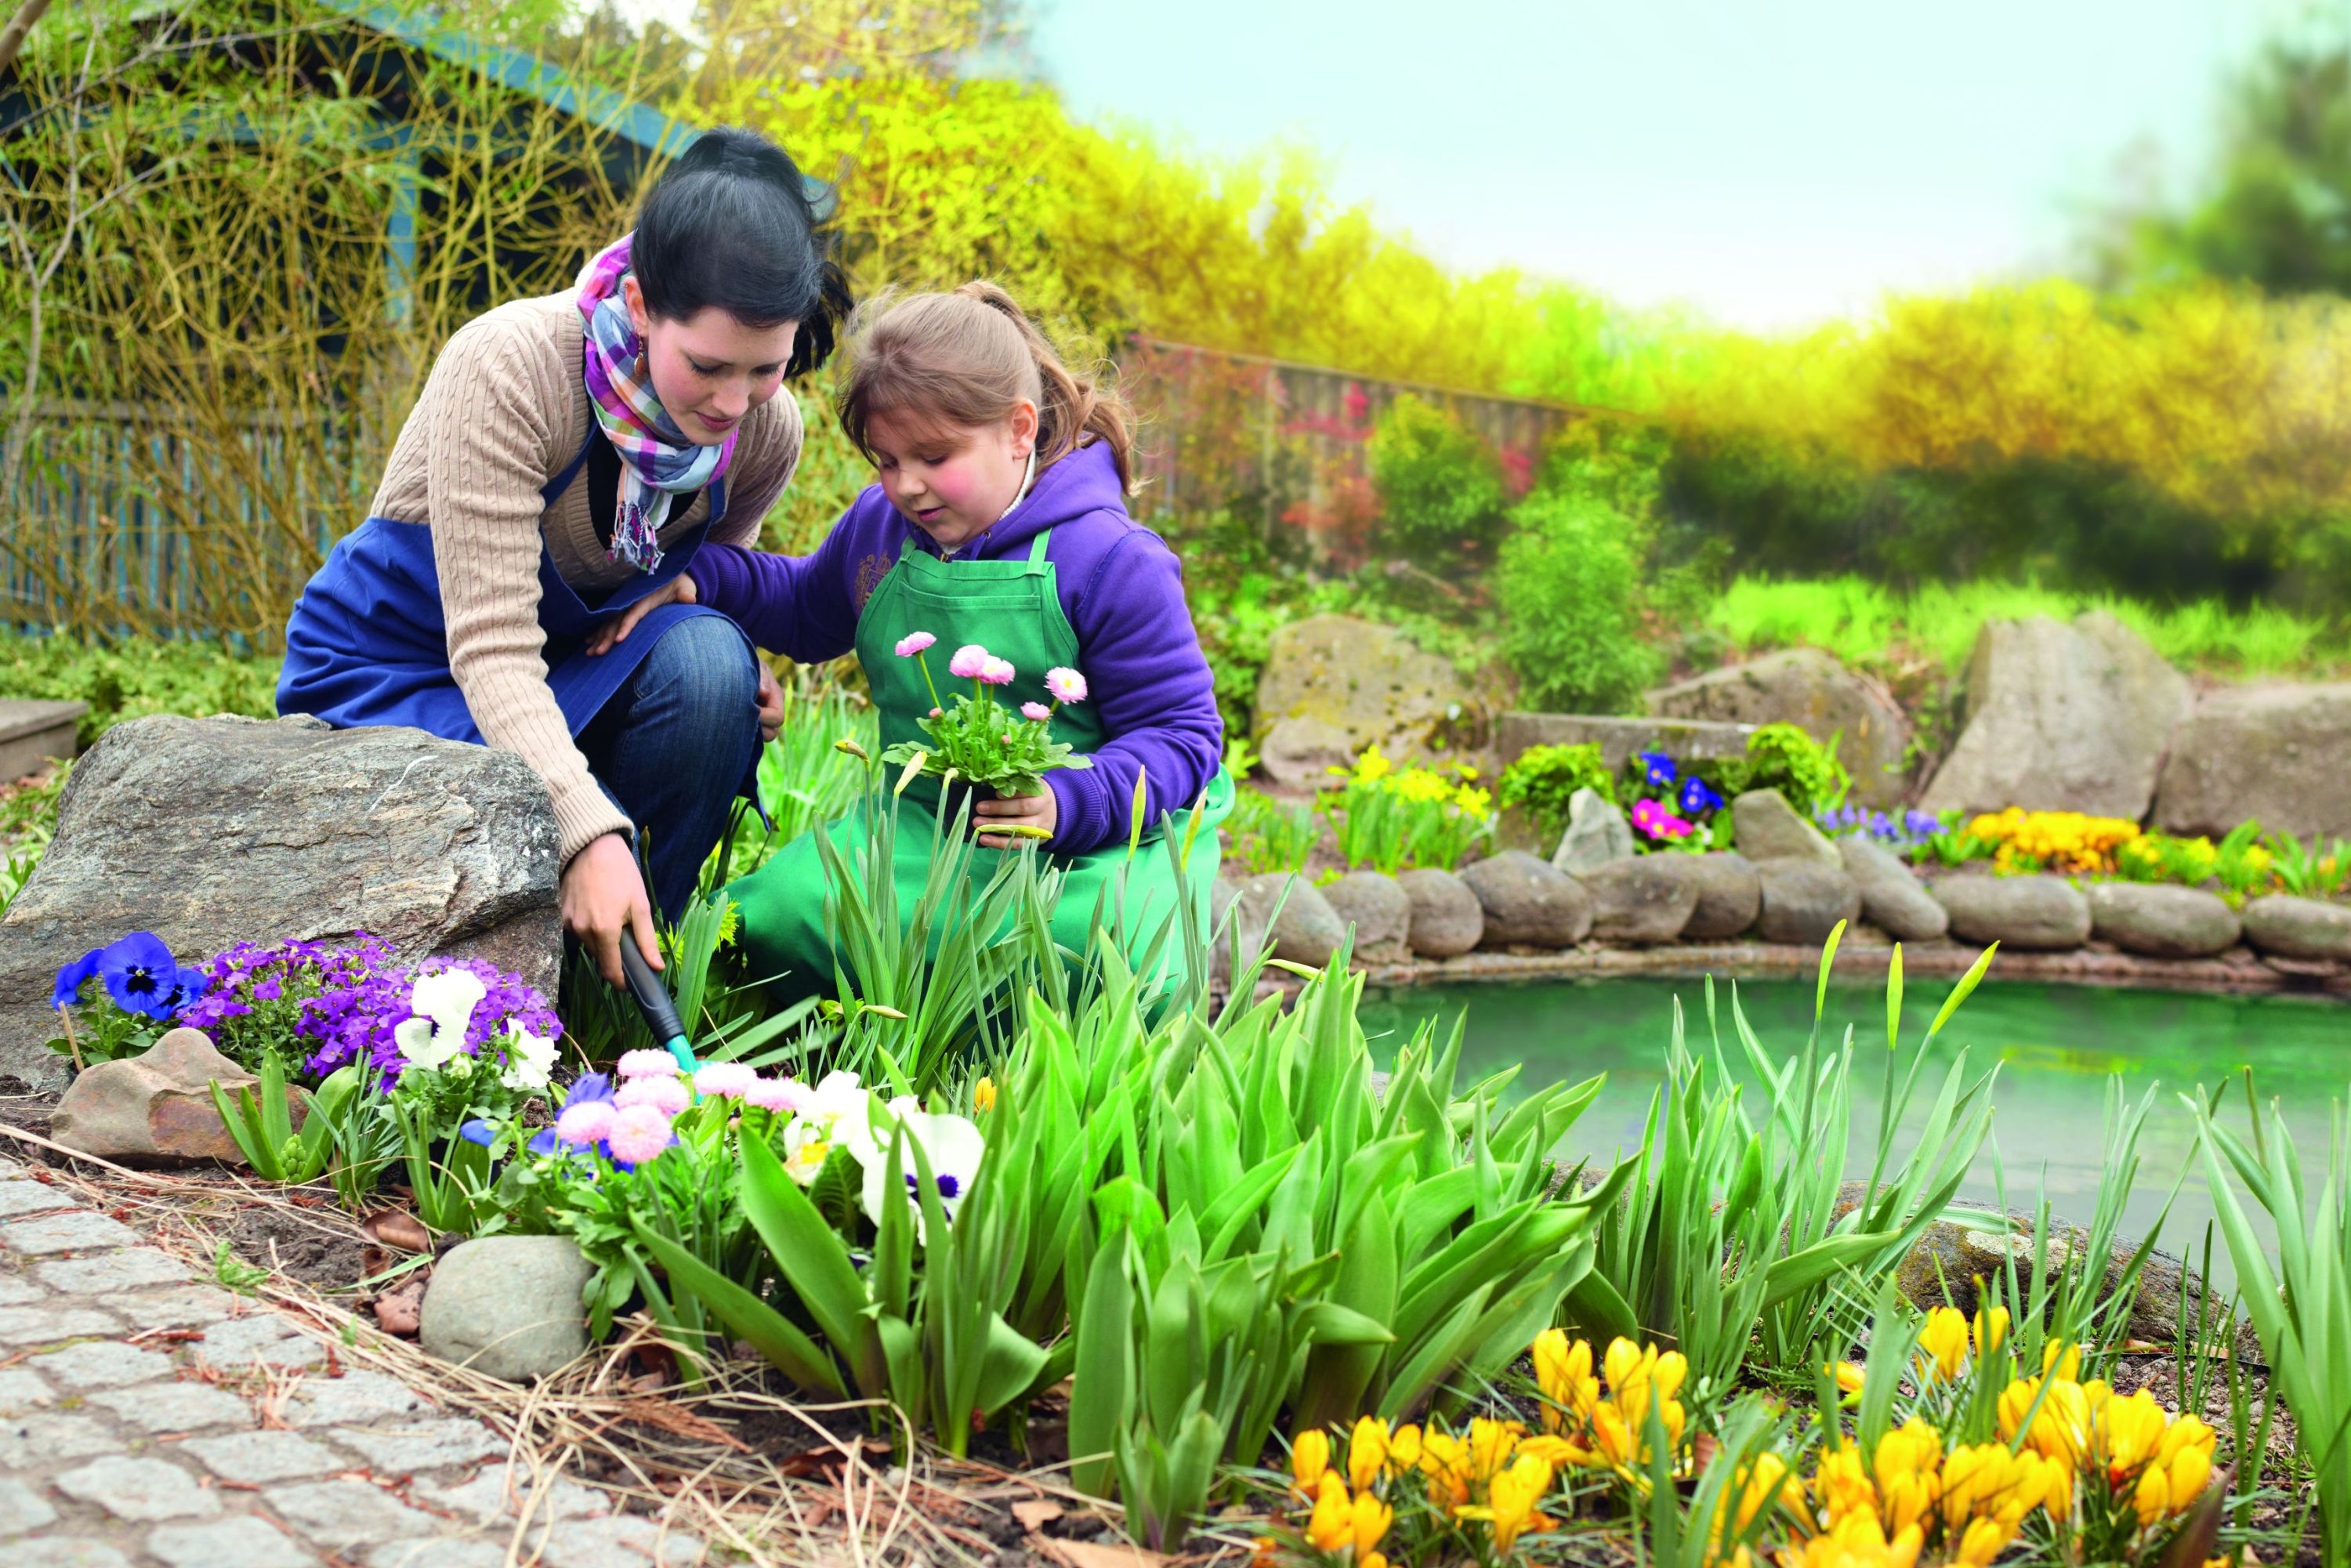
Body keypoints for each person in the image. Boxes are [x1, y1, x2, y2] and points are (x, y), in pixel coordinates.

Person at [277, 128, 851, 987]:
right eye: (709, 366)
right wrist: (583, 828)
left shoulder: (766, 430)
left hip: (571, 680)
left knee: (707, 665)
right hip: (405, 665)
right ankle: (474, 1002)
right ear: (646, 304)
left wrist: (744, 669)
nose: (736, 402)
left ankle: (607, 994)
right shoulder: (514, 365)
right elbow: (494, 648)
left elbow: (707, 593)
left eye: (765, 368)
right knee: (675, 693)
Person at [590, 282, 1231, 997]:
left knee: (1101, 967)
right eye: (888, 461)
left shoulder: (1112, 560)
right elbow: (806, 604)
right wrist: (699, 577)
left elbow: (1184, 736)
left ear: (1019, 430)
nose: (909, 487)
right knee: (765, 919)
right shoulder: (883, 526)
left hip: (1086, 848)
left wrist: (1067, 803)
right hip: (921, 831)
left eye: (934, 457)